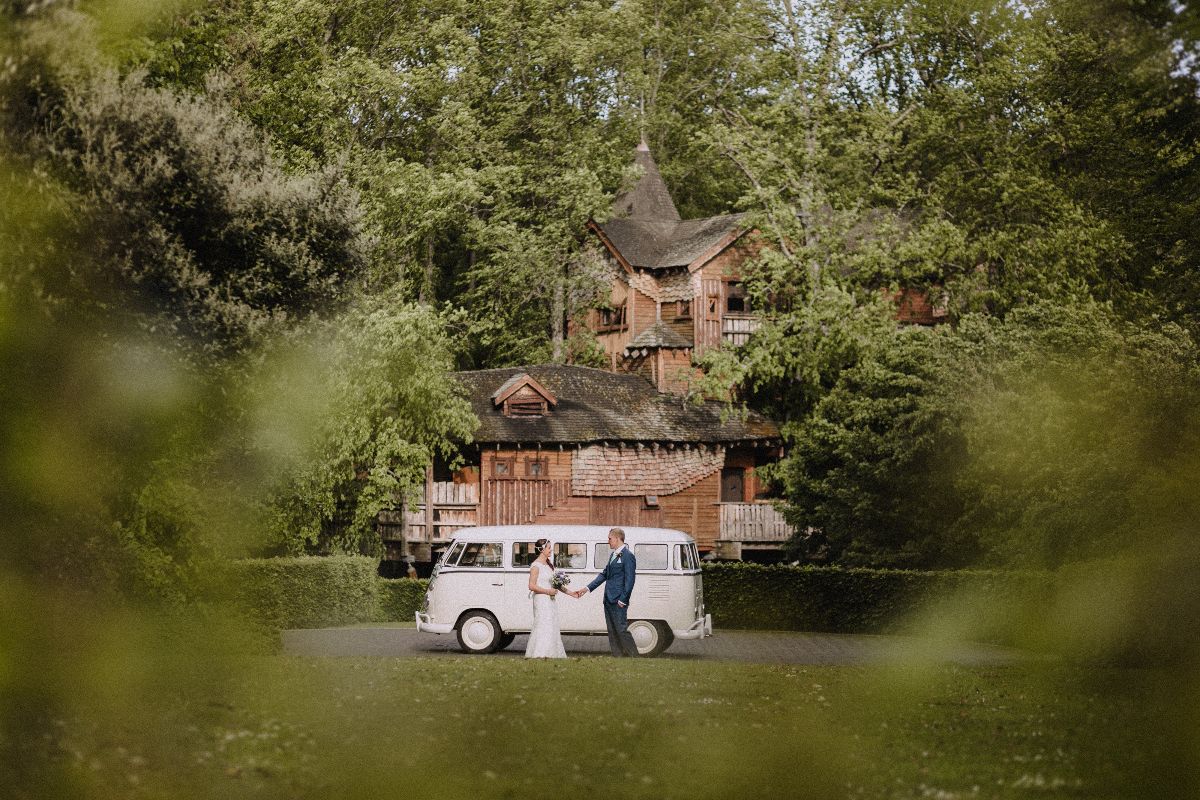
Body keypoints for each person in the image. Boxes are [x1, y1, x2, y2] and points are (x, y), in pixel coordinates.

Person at [571, 528, 638, 657]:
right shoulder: (613, 555)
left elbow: (630, 580)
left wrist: (623, 599)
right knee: (612, 631)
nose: (608, 541)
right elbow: (604, 575)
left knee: (621, 629)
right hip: (608, 598)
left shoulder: (628, 556)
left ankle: (635, 657)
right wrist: (586, 589)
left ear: (617, 538)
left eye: (610, 538)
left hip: (618, 600)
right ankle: (618, 656)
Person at [525, 538, 568, 659]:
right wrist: (548, 591)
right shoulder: (536, 566)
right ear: (541, 550)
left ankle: (552, 652)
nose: (551, 550)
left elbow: (556, 584)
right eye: (548, 548)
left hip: (550, 600)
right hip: (541, 599)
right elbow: (531, 586)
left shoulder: (549, 565)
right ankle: (540, 652)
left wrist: (571, 593)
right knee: (543, 624)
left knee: (551, 624)